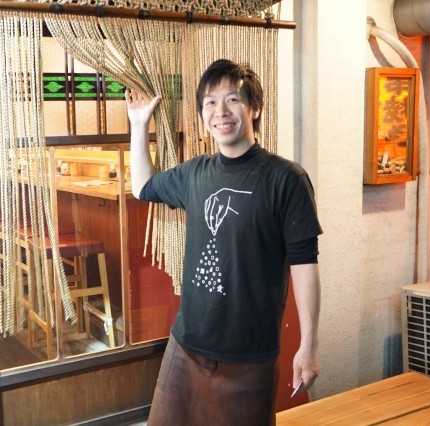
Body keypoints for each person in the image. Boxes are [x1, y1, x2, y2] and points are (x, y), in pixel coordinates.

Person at [125, 59, 322, 425]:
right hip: (186, 346)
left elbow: (305, 263)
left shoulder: (286, 179)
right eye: (210, 102)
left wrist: (308, 345)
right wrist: (139, 127)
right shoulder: (194, 173)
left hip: (248, 358)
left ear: (254, 108)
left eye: (232, 99)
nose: (221, 111)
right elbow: (143, 187)